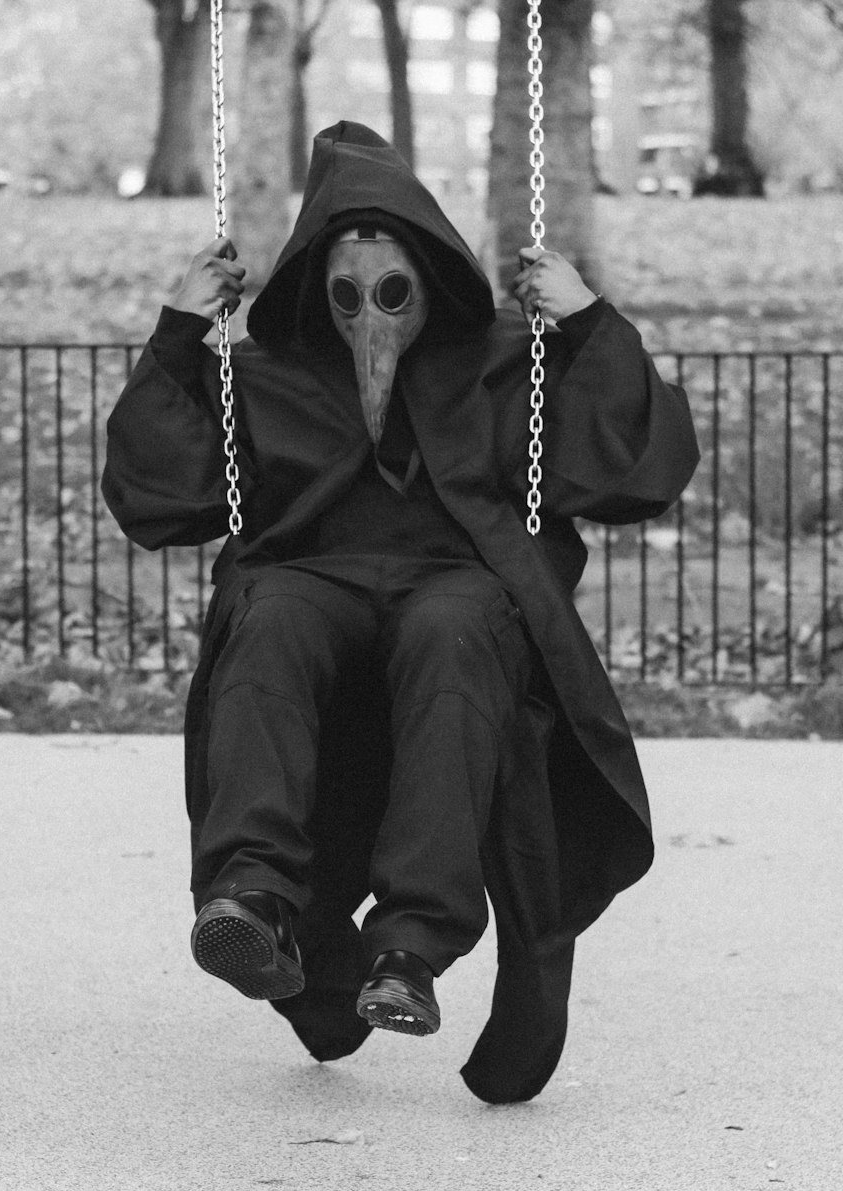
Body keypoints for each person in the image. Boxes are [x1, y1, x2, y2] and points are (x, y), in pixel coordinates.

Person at [102, 121, 699, 1102]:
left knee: (454, 634)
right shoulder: (268, 369)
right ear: (313, 291)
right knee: (268, 618)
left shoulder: (507, 360)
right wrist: (178, 329)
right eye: (346, 295)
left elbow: (633, 469)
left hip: (452, 573)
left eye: (392, 292)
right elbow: (161, 496)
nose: (372, 318)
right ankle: (251, 891)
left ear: (429, 279)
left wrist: (587, 320)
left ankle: (411, 946)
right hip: (312, 569)